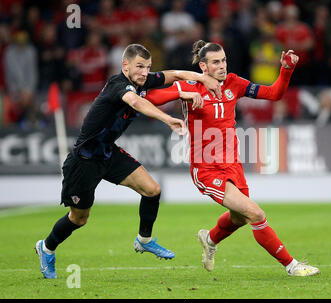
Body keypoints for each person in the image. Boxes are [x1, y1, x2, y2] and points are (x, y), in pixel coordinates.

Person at [35, 43, 221, 279]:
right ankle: (47, 247)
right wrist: (168, 119)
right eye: (139, 67)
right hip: (84, 160)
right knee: (79, 218)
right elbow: (136, 103)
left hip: (108, 153)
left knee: (152, 190)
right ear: (125, 66)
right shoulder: (118, 85)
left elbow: (173, 74)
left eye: (148, 67)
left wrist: (202, 78)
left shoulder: (142, 80)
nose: (145, 72)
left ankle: (144, 240)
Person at [145, 41, 320, 277]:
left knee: (240, 218)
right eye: (216, 62)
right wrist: (182, 92)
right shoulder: (191, 86)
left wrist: (286, 69)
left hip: (232, 165)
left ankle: (210, 238)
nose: (222, 66)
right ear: (203, 67)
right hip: (206, 169)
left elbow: (274, 94)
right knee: (256, 214)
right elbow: (151, 98)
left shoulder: (234, 83)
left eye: (224, 60)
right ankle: (292, 265)